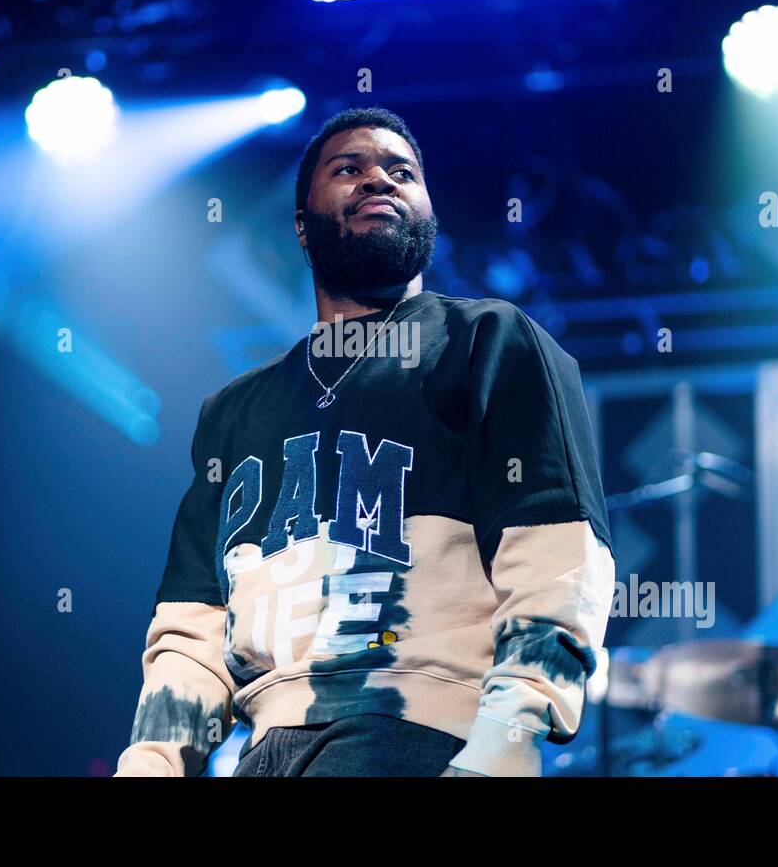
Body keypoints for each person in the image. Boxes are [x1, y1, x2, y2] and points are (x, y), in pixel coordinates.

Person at [115, 107, 615, 777]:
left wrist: (502, 745)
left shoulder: (492, 343)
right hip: (262, 751)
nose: (379, 179)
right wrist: (149, 764)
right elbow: (194, 631)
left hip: (420, 734)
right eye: (349, 168)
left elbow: (559, 563)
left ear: (428, 214)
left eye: (401, 171)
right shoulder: (232, 413)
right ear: (301, 222)